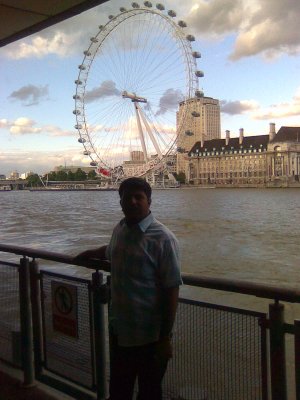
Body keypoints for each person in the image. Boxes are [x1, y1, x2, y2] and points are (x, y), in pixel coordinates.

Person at [75, 177, 182, 400]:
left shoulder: (163, 238)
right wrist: (92, 253)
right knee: (119, 390)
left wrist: (165, 338)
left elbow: (172, 288)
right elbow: (112, 250)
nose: (133, 202)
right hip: (120, 331)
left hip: (149, 337)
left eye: (138, 197)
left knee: (149, 392)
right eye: (127, 198)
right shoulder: (120, 228)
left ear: (149, 201)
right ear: (120, 202)